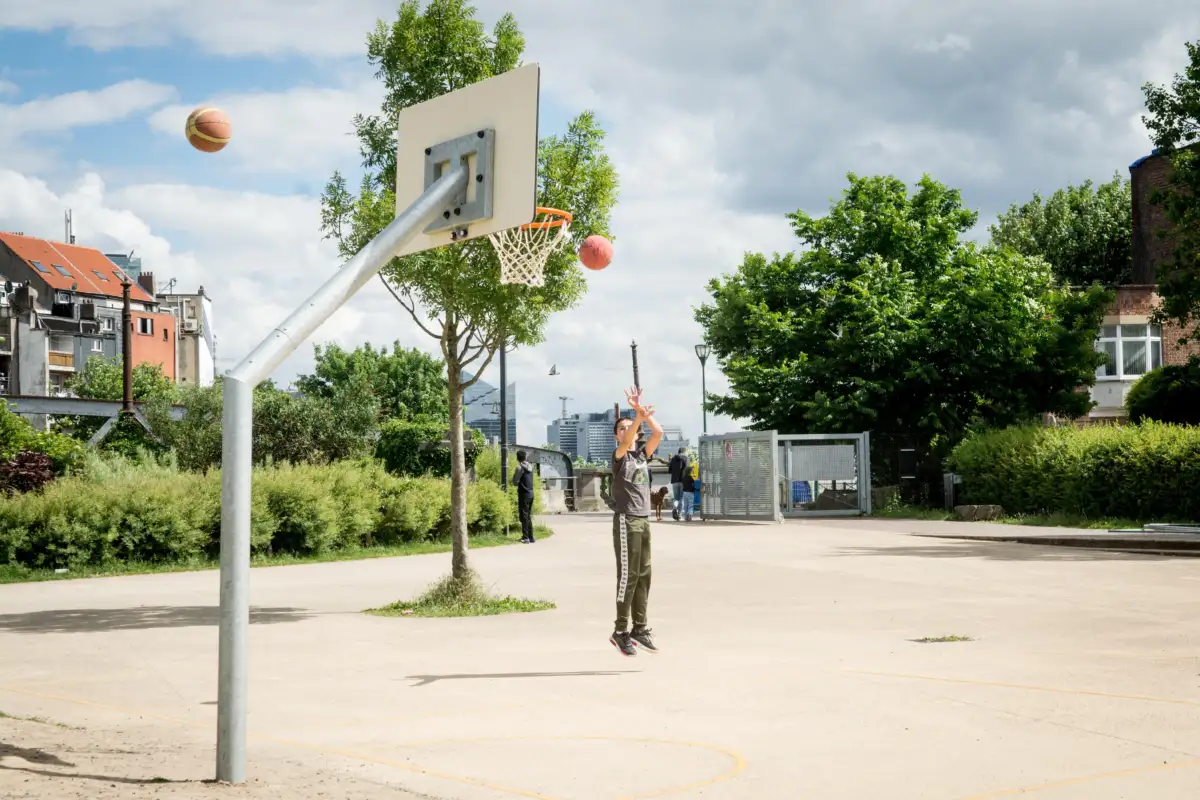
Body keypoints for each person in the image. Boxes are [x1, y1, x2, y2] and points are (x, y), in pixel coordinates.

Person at [609, 387, 663, 657]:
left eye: (630, 428)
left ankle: (640, 628)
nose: (627, 430)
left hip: (643, 519)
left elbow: (659, 434)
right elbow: (629, 439)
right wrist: (637, 418)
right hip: (626, 520)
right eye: (622, 428)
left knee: (644, 575)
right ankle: (620, 631)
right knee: (628, 576)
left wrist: (645, 416)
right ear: (617, 435)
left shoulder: (642, 456)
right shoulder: (620, 456)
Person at [511, 450, 536, 543]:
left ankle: (525, 538)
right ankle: (531, 536)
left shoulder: (519, 467)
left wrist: (516, 480)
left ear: (517, 458)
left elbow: (514, 482)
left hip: (523, 494)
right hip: (531, 493)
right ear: (525, 457)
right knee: (528, 515)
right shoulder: (531, 466)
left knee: (524, 516)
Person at [668, 447, 689, 521]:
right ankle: (679, 514)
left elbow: (669, 470)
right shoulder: (686, 458)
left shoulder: (673, 459)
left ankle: (674, 508)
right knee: (682, 498)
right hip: (683, 481)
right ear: (684, 451)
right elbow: (687, 469)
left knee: (676, 498)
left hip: (674, 481)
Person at [680, 454, 696, 522]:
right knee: (691, 505)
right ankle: (690, 515)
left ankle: (685, 517)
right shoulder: (690, 478)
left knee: (685, 505)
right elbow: (693, 485)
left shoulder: (683, 478)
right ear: (690, 471)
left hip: (685, 493)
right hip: (690, 492)